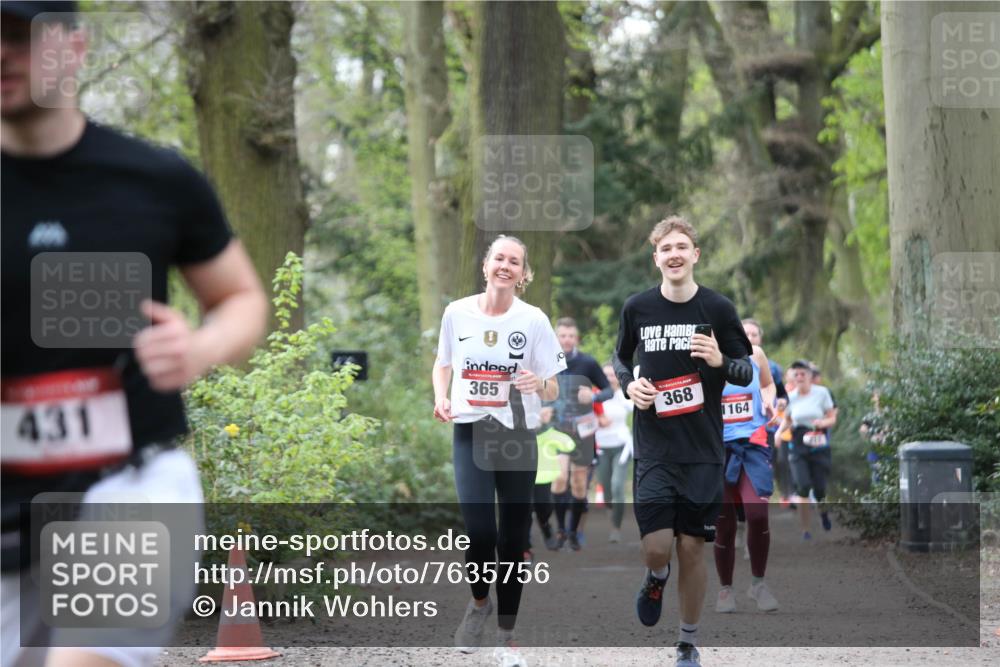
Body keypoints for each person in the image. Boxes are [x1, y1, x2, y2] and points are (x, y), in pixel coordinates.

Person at [1, 4, 269, 667]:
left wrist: (199, 349)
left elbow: (241, 298)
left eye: (17, 36)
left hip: (132, 482)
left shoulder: (153, 179)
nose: (1, 54)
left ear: (75, 47)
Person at [613, 216, 753, 667]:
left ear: (694, 255)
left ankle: (687, 642)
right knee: (657, 546)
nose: (673, 254)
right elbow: (619, 359)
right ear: (656, 258)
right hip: (654, 448)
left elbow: (745, 371)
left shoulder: (717, 309)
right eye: (665, 248)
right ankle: (656, 576)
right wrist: (628, 385)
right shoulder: (637, 308)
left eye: (681, 246)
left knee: (693, 547)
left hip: (702, 451)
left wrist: (719, 359)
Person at [433, 235, 566, 667]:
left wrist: (537, 385)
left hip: (517, 435)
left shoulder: (534, 320)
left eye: (515, 262)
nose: (505, 266)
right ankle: (477, 603)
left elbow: (553, 386)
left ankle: (506, 637)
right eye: (499, 258)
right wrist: (441, 396)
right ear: (486, 265)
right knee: (479, 533)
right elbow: (444, 363)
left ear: (524, 274)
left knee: (512, 540)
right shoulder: (457, 313)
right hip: (471, 431)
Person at [714, 342, 780, 614]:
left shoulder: (755, 353)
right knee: (724, 525)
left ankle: (758, 584)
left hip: (753, 444)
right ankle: (725, 589)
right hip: (717, 449)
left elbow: (767, 384)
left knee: (757, 513)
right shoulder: (704, 355)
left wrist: (768, 399)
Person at [549, 318, 612, 551]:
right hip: (557, 429)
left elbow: (608, 391)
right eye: (562, 336)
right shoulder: (546, 361)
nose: (566, 340)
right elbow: (534, 389)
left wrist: (593, 397)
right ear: (556, 338)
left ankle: (574, 532)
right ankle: (560, 530)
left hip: (583, 432)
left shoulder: (587, 363)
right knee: (559, 478)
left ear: (576, 339)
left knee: (577, 485)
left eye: (570, 336)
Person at [780, 360, 838, 540]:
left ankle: (823, 514)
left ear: (810, 376)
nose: (799, 377)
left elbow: (832, 418)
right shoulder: (790, 396)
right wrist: (778, 434)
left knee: (819, 489)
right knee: (803, 486)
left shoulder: (822, 393)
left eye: (802, 374)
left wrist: (822, 423)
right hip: (798, 445)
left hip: (819, 443)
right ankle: (805, 529)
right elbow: (788, 420)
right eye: (795, 374)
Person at [741, 319, 792, 506]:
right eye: (746, 333)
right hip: (733, 430)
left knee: (761, 471)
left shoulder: (772, 368)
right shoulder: (723, 360)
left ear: (760, 339)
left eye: (754, 334)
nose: (750, 338)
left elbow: (783, 396)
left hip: (763, 429)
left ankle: (757, 508)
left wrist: (778, 404)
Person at [525, 406, 576, 562]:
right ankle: (525, 546)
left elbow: (569, 444)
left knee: (543, 508)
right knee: (523, 509)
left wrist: (546, 421)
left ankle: (546, 527)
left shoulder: (549, 432)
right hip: (520, 473)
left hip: (543, 476)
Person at [594, 363, 632, 544]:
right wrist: (597, 422)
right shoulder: (595, 396)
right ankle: (612, 518)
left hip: (621, 446)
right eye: (605, 375)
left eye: (612, 375)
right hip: (601, 447)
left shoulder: (624, 395)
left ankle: (615, 528)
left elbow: (637, 408)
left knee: (617, 486)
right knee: (607, 491)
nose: (609, 378)